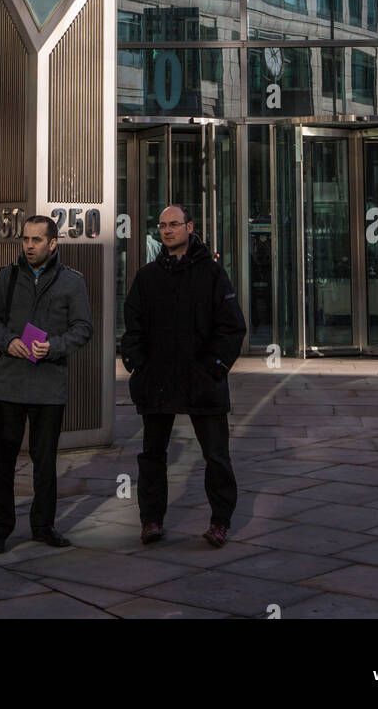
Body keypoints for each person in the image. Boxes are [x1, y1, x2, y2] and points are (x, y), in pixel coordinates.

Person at [122, 204, 246, 549]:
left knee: (216, 456)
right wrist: (138, 364)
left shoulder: (212, 274)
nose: (167, 230)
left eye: (174, 224)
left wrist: (215, 367)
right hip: (158, 379)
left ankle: (220, 522)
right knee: (152, 456)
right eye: (162, 225)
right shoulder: (147, 277)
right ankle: (151, 520)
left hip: (202, 381)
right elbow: (132, 325)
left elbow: (232, 327)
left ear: (190, 227)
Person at [0, 215, 93, 553]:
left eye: (36, 240)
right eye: (25, 239)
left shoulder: (72, 282)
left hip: (48, 387)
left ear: (53, 243)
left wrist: (53, 347)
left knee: (45, 462)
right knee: (3, 461)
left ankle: (43, 526)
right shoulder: (8, 276)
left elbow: (83, 328)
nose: (29, 245)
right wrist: (7, 341)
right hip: (9, 386)